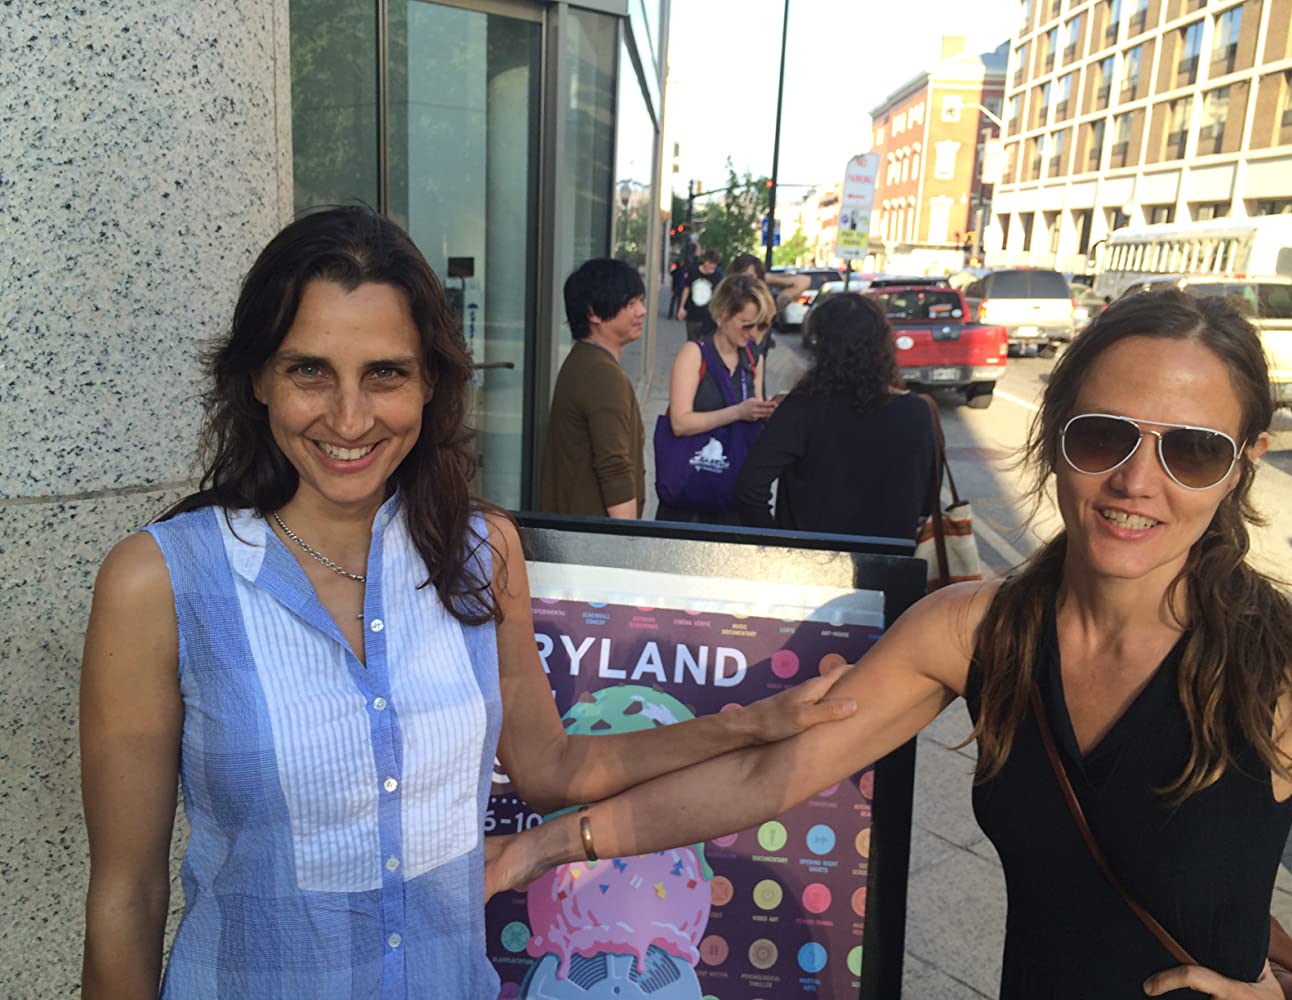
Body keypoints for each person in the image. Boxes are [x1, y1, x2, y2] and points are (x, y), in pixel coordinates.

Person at [78, 207, 858, 999]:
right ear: (257, 378)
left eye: (384, 373)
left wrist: (748, 724)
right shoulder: (160, 581)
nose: (348, 417)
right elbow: (126, 896)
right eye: (308, 370)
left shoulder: (483, 552)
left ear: (430, 382)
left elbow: (552, 767)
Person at [487, 288, 1292, 999]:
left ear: (1244, 463)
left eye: (1193, 451)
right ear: (1053, 434)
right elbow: (763, 776)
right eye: (1103, 436)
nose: (1137, 481)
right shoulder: (977, 630)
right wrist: (536, 849)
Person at [734, 292, 935, 541]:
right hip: (889, 558)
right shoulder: (917, 412)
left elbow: (749, 487)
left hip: (810, 558)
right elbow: (926, 500)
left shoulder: (802, 408)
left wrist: (777, 545)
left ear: (822, 345)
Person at [656, 273, 777, 524]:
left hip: (730, 496)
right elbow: (679, 423)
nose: (753, 334)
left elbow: (753, 413)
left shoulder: (754, 358)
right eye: (747, 324)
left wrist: (766, 413)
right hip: (689, 492)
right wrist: (738, 412)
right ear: (722, 314)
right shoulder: (694, 353)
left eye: (761, 325)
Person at [539, 258, 648, 519]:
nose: (642, 311)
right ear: (593, 313)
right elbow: (614, 468)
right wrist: (627, 536)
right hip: (595, 534)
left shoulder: (584, 359)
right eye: (630, 304)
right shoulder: (602, 374)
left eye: (640, 301)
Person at [675, 248, 721, 340]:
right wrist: (681, 307)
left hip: (708, 316)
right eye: (710, 263)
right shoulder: (693, 271)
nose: (712, 267)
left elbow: (718, 296)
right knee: (692, 340)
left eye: (714, 265)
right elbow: (687, 289)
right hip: (693, 313)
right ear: (705, 261)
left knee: (705, 341)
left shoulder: (717, 277)